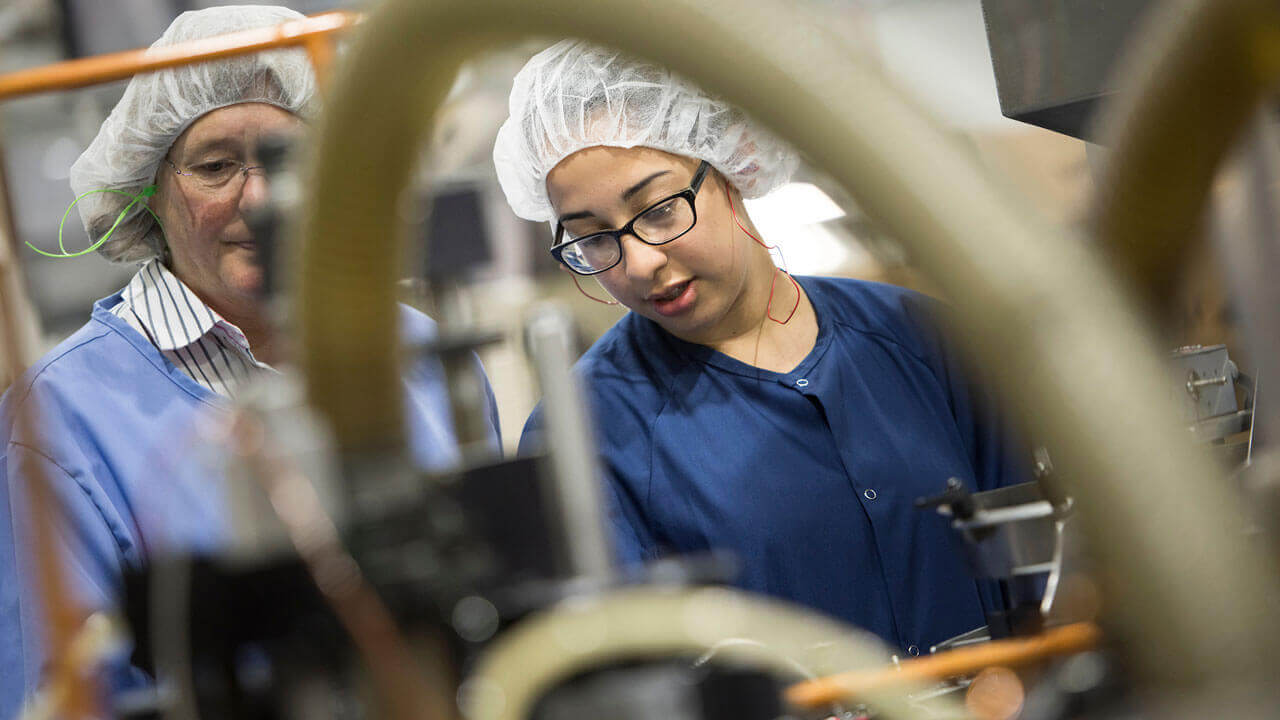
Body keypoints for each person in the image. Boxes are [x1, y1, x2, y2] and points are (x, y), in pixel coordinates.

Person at [0, 6, 499, 715]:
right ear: (147, 187)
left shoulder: (415, 347)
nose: (259, 198)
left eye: (286, 160)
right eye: (215, 167)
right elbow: (62, 697)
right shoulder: (57, 419)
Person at [496, 40, 1027, 656]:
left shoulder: (923, 339)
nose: (638, 264)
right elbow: (624, 667)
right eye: (593, 239)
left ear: (733, 163)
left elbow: (1040, 568)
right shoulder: (585, 429)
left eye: (660, 210)